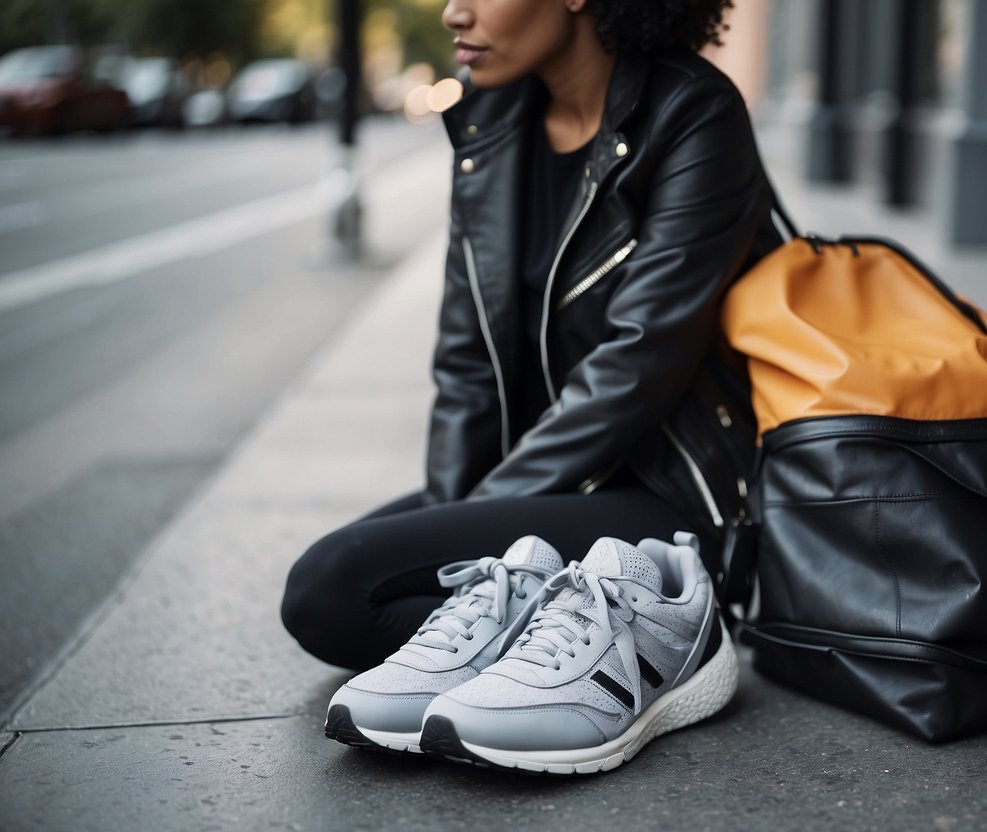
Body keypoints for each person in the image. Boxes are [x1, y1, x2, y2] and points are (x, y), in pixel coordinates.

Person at [281, 0, 783, 773]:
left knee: (344, 583)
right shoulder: (491, 117)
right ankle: (575, 636)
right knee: (323, 596)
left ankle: (664, 630)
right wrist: (471, 530)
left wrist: (484, 557)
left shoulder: (693, 113)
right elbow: (466, 362)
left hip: (665, 496)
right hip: (543, 489)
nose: (453, 12)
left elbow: (636, 367)